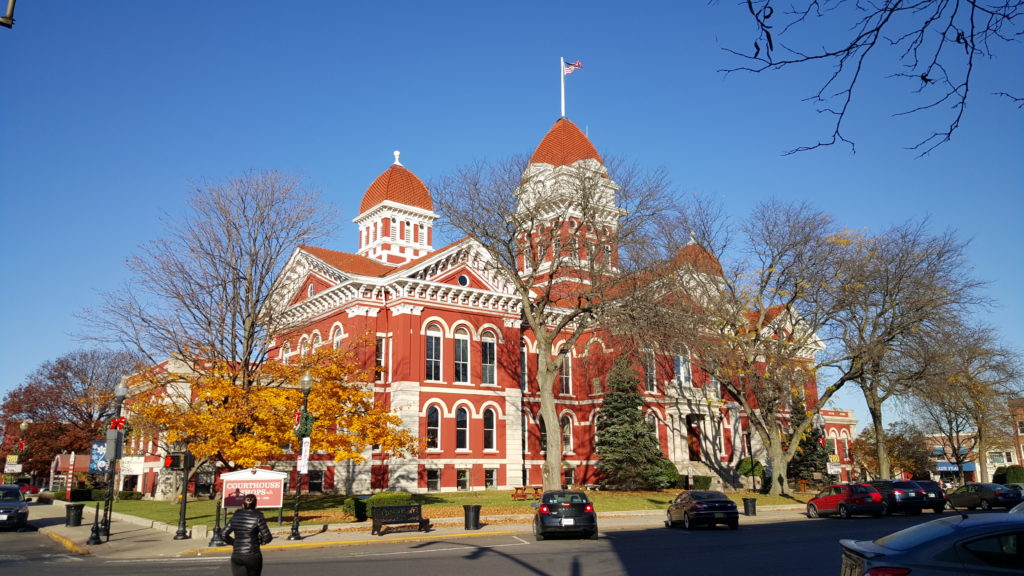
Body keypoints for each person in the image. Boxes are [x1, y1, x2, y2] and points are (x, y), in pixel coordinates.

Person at [222, 493, 273, 576]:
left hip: (237, 555)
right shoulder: (258, 516)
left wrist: (234, 543)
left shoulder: (235, 516)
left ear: (243, 504)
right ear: (255, 504)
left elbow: (223, 534)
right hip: (252, 554)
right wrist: (259, 541)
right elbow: (267, 537)